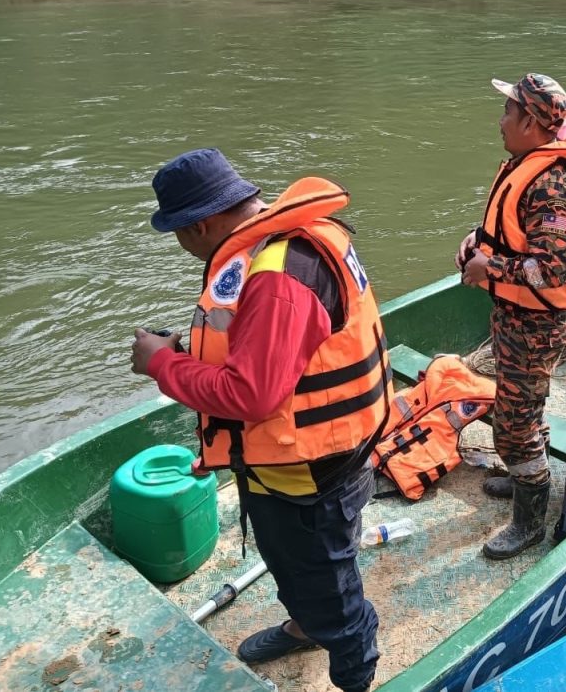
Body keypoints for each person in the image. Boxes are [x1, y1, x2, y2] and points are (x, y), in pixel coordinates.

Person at [130, 148, 389, 692]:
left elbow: (251, 395)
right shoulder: (285, 245)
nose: (181, 246)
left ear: (200, 224)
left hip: (312, 478)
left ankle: (354, 671)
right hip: (292, 462)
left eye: (178, 232)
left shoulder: (278, 274)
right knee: (293, 565)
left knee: (330, 584)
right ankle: (306, 625)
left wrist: (161, 364)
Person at [454, 73, 566, 560]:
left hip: (536, 325)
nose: (501, 121)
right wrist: (478, 242)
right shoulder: (528, 167)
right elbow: (514, 233)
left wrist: (486, 267)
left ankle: (530, 520)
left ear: (532, 122)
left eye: (508, 113)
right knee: (521, 407)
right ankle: (522, 480)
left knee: (513, 425)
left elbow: (552, 269)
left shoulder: (555, 187)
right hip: (515, 316)